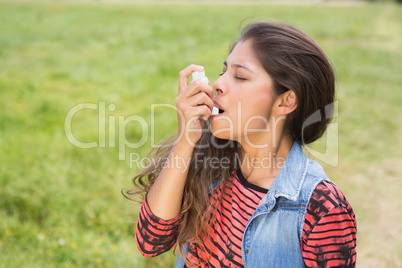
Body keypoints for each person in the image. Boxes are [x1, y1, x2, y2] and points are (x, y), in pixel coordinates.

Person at [125, 22, 357, 267]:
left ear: (286, 102)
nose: (218, 85)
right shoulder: (210, 163)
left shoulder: (321, 207)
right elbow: (151, 242)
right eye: (222, 72)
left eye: (240, 76)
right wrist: (185, 141)